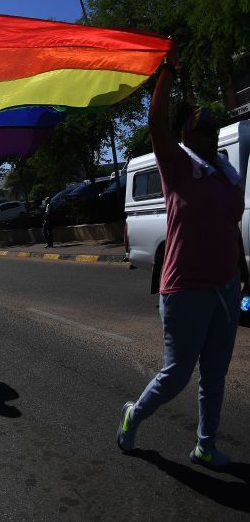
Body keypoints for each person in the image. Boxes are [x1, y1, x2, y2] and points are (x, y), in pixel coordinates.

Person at [116, 57, 245, 470]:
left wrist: (242, 277)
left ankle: (205, 446)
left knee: (215, 375)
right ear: (187, 133)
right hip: (185, 289)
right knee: (177, 374)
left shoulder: (226, 174)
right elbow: (157, 123)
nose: (208, 135)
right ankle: (133, 415)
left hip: (225, 288)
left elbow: (229, 226)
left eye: (212, 129)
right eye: (199, 129)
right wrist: (167, 74)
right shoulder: (178, 166)